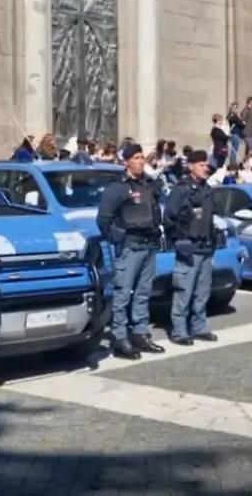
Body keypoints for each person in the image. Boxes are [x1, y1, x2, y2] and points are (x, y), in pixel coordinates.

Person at [96, 143, 165, 360]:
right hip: (130, 246)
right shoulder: (118, 188)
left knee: (143, 293)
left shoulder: (148, 185)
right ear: (126, 161)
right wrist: (118, 238)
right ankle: (119, 337)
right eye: (135, 157)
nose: (140, 161)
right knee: (123, 293)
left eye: (141, 157)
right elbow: (104, 219)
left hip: (149, 245)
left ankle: (140, 333)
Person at [163, 149, 219, 346]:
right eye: (202, 165)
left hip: (205, 247)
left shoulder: (207, 189)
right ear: (191, 166)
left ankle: (199, 327)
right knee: (183, 291)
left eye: (206, 165)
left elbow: (210, 218)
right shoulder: (181, 189)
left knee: (202, 292)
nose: (206, 168)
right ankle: (179, 331)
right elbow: (169, 218)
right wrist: (179, 240)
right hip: (189, 247)